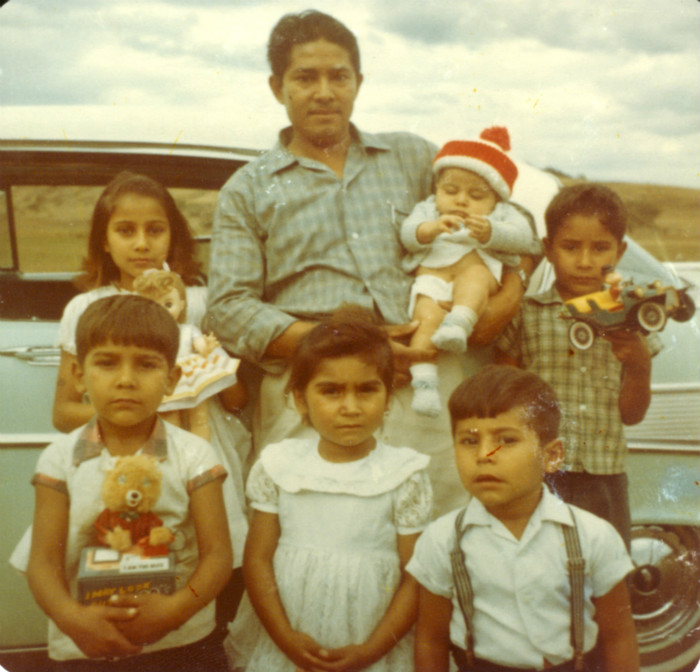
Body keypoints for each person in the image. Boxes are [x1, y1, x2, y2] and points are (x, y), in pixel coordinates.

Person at [205, 9, 538, 516]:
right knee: (316, 544)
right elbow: (228, 309)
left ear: (358, 82)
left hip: (433, 382)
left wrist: (504, 300)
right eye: (305, 77)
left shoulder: (412, 157)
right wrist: (342, 343)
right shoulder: (248, 189)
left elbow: (509, 226)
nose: (324, 91)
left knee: (444, 540)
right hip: (315, 392)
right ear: (277, 87)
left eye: (338, 76)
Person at [40, 170, 247, 632]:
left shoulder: (198, 301)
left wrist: (214, 362)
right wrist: (142, 410)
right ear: (104, 241)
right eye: (125, 230)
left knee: (211, 564)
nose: (141, 244)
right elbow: (63, 412)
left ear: (174, 237)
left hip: (203, 457)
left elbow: (237, 398)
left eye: (155, 230)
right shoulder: (85, 307)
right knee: (133, 562)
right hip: (126, 469)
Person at [27, 295, 233, 671]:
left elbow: (218, 556)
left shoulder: (194, 455)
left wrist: (172, 611)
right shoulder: (59, 458)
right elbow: (41, 562)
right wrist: (74, 620)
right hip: (86, 644)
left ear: (172, 380)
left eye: (146, 364)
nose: (125, 379)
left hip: (182, 643)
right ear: (78, 375)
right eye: (106, 363)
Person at [225, 306, 433, 672]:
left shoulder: (403, 473)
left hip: (374, 640)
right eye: (332, 391)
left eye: (367, 390)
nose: (350, 407)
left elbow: (414, 577)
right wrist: (285, 639)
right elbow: (257, 560)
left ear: (387, 396)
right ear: (302, 399)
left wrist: (370, 651)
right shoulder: (280, 465)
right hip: (289, 635)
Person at [408, 364, 638, 672]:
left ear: (551, 455)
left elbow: (619, 637)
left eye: (506, 440)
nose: (484, 455)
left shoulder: (593, 535)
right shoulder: (442, 539)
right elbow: (431, 640)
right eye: (469, 441)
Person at [494, 183, 661, 547]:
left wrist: (640, 365)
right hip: (538, 476)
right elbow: (502, 399)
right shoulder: (526, 314)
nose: (585, 261)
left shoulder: (629, 322)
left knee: (607, 575)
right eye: (571, 247)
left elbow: (632, 415)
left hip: (605, 477)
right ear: (548, 249)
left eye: (600, 248)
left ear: (620, 251)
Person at [401, 127, 542, 416]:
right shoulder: (429, 209)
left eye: (476, 195)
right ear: (436, 190)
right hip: (434, 276)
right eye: (450, 191)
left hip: (475, 273)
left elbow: (524, 237)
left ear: (495, 200)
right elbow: (407, 233)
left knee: (475, 278)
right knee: (425, 318)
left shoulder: (500, 214)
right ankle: (425, 384)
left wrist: (492, 232)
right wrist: (429, 230)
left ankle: (459, 323)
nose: (462, 200)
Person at [133, 269, 241, 441]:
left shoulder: (187, 330)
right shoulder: (144, 336)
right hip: (165, 379)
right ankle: (176, 449)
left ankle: (202, 448)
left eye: (168, 304)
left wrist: (206, 348)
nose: (162, 311)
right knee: (169, 419)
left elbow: (199, 345)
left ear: (181, 305)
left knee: (199, 417)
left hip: (191, 377)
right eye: (152, 306)